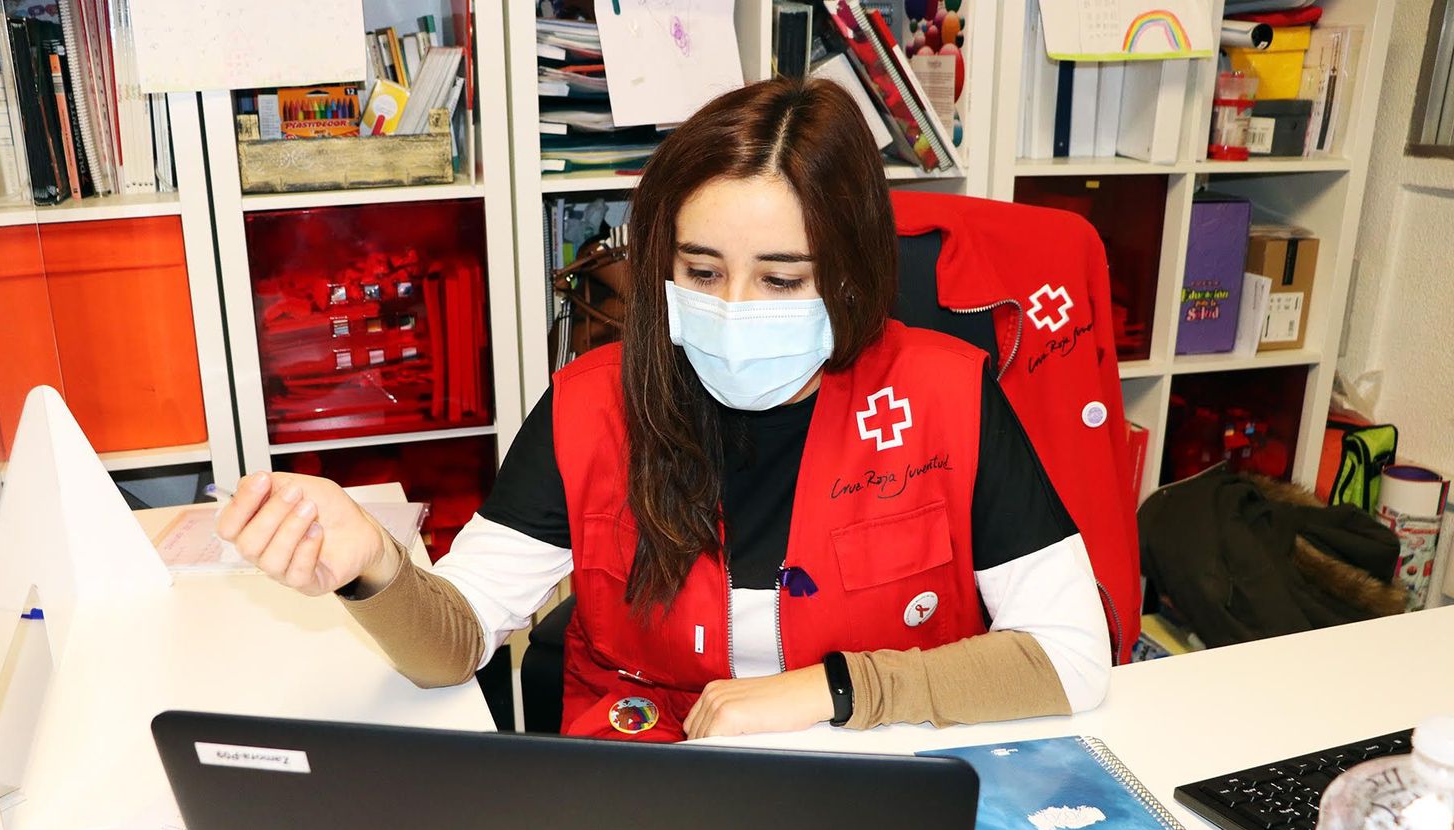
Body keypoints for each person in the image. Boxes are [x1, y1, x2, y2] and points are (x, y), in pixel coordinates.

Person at [217, 79, 1111, 742]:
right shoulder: (593, 405)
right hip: (649, 769)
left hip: (880, 762)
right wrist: (374, 565)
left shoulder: (948, 396)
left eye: (782, 280)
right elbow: (453, 642)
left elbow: (1072, 658)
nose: (735, 307)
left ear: (849, 275)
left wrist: (835, 689)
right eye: (703, 270)